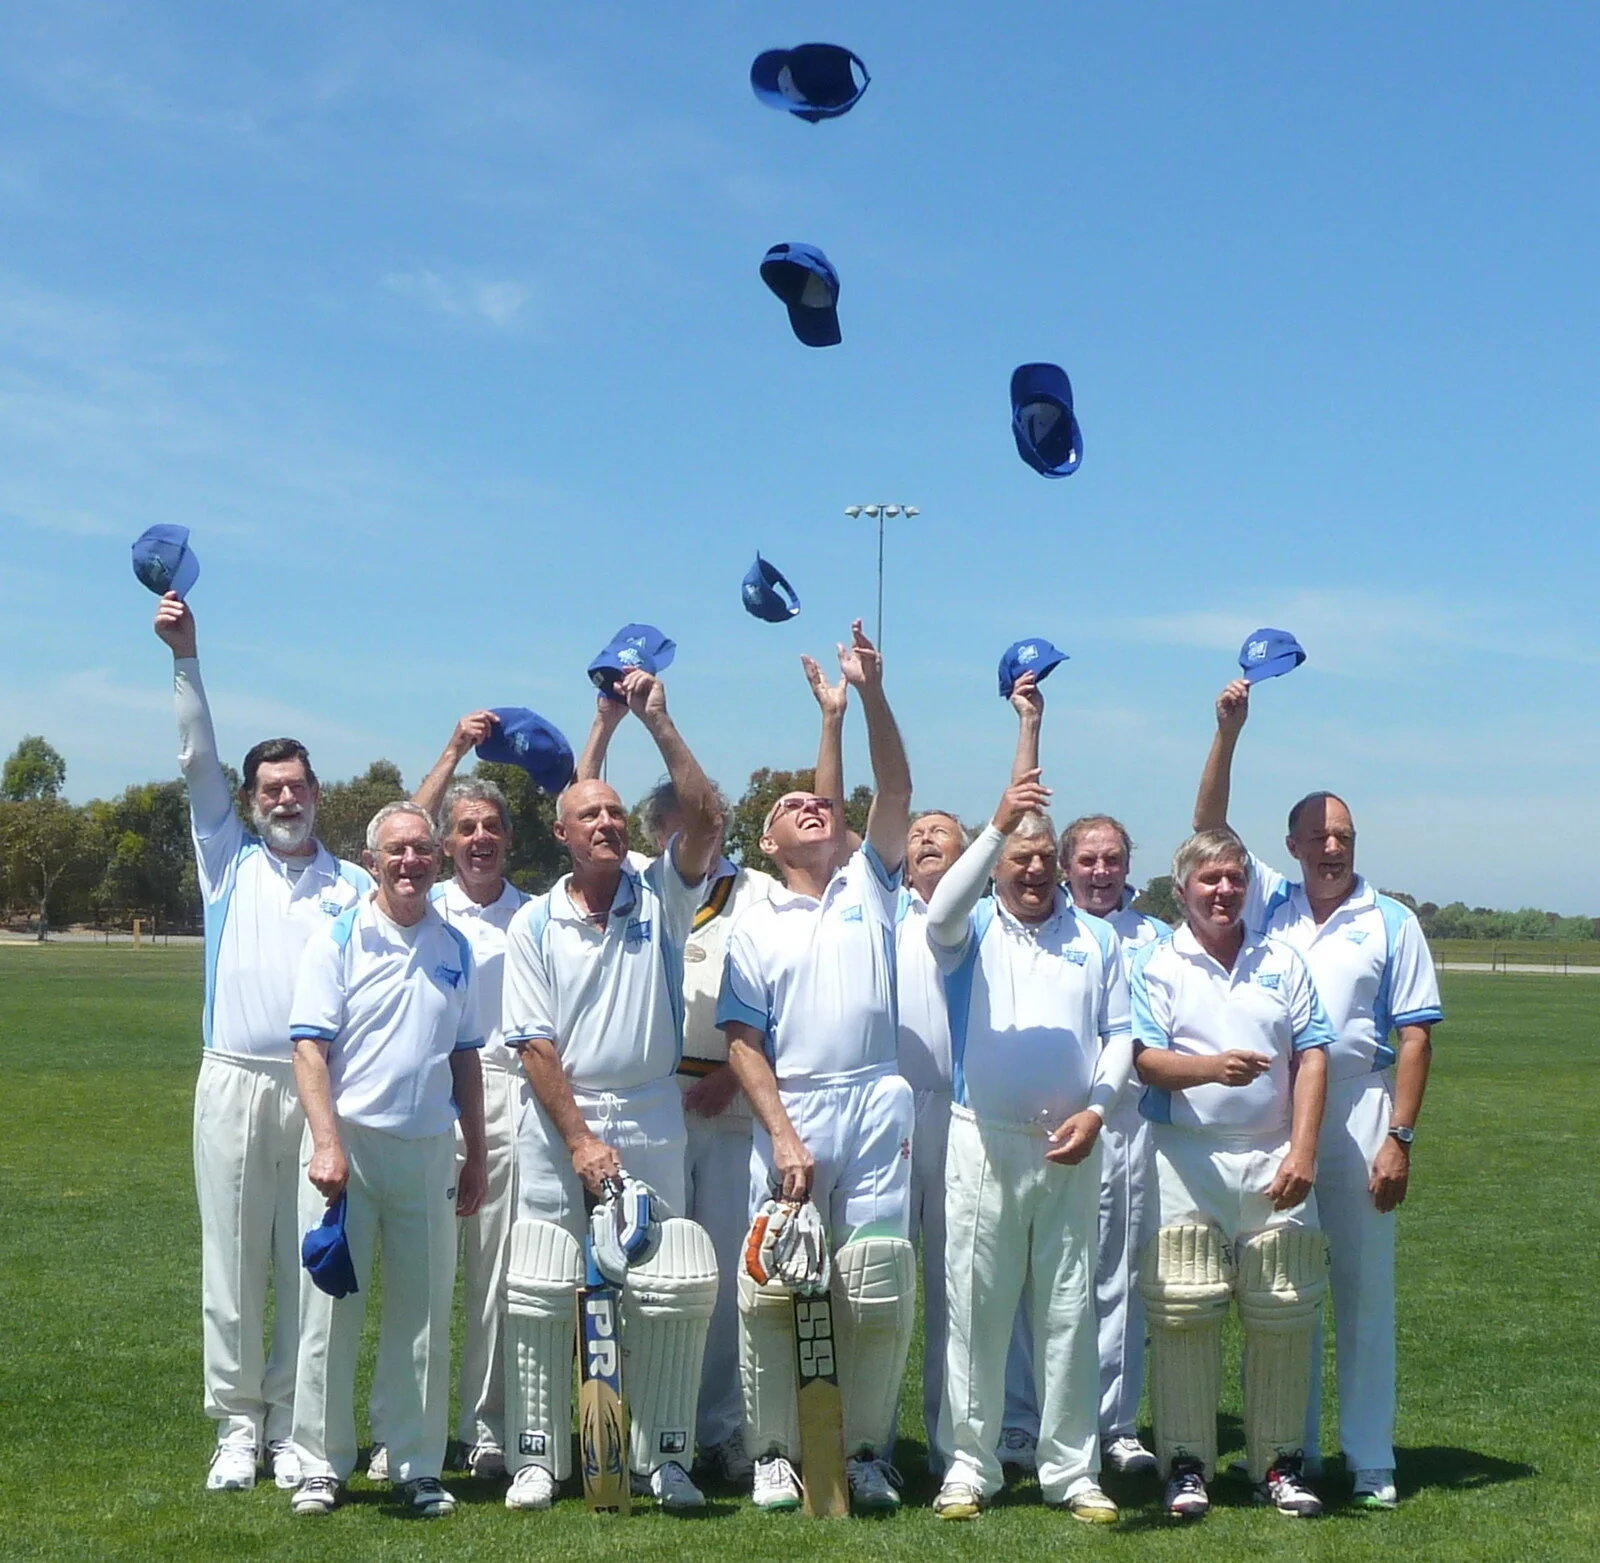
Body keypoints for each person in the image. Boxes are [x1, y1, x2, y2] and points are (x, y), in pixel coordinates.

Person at [1195, 679, 1443, 1510]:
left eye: (1343, 834)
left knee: (1365, 1296)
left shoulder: (1392, 920)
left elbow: (1414, 1035)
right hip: (1282, 1118)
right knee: (1287, 1292)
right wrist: (1228, 734)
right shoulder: (1270, 902)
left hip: (1363, 1113)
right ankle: (1285, 1452)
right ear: (1292, 844)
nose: (1332, 846)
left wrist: (1398, 1137)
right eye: (1318, 834)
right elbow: (1208, 831)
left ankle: (1371, 1456)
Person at [152, 591, 372, 1493]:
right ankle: (237, 1426)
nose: (285, 797)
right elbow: (195, 754)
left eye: (298, 785)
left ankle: (294, 1425)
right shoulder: (225, 857)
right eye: (269, 788)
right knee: (233, 1260)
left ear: (319, 793)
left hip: (325, 1093)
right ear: (249, 800)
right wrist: (186, 656)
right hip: (235, 1081)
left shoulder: (354, 883)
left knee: (309, 1261)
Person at [500, 667, 722, 1513]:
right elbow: (535, 1045)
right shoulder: (533, 921)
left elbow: (704, 816)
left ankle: (661, 1455)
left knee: (661, 1286)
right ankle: (538, 1454)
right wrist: (583, 1139)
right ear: (561, 832)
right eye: (589, 813)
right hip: (559, 1119)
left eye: (617, 813)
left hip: (652, 1110)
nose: (606, 822)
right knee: (545, 1281)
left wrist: (660, 722)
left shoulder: (660, 894)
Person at [717, 621, 917, 1516]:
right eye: (788, 806)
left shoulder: (869, 882)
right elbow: (742, 1042)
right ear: (765, 842)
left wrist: (861, 698)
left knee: (874, 1285)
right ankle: (773, 1451)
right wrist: (784, 1132)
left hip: (878, 1100)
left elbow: (895, 786)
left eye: (820, 802)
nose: (812, 806)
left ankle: (865, 1450)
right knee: (775, 1283)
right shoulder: (752, 920)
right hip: (792, 1107)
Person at [925, 763, 1129, 1524]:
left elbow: (1121, 1035)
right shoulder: (970, 928)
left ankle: (1072, 1468)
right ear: (1001, 864)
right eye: (1021, 858)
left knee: (1070, 1309)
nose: (1036, 870)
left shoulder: (1098, 938)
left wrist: (1099, 1109)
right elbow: (940, 908)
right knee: (977, 1306)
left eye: (1046, 859)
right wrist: (998, 824)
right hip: (984, 1141)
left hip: (1072, 1146)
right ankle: (968, 1465)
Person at [286, 801, 488, 1518]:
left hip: (430, 1148)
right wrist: (327, 1143)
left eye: (422, 850)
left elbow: (466, 1058)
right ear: (372, 860)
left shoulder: (455, 945)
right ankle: (320, 1462)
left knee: (424, 1315)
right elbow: (310, 1048)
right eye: (396, 851)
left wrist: (477, 1153)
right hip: (351, 1151)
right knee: (330, 1311)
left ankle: (414, 1463)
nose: (411, 862)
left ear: (437, 859)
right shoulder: (338, 937)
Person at [1130, 828, 1333, 1520]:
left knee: (1283, 1304)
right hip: (1186, 1151)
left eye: (1234, 878)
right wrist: (1212, 1068)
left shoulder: (1284, 959)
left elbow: (1312, 1057)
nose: (1224, 890)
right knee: (1184, 1306)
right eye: (1210, 879)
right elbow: (1145, 1060)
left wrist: (1303, 1151)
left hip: (1273, 1150)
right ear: (1181, 888)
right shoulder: (1160, 963)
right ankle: (1186, 1463)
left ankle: (1278, 1464)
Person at [997, 670, 1166, 1479]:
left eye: (1112, 859)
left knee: (1113, 1278)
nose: (1099, 870)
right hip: (1035, 1121)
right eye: (1086, 859)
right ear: (1064, 865)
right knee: (1032, 1277)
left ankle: (1113, 1422)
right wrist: (1031, 723)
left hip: (1126, 1126)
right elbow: (1021, 817)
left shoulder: (1155, 935)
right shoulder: (1041, 924)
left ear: (1129, 865)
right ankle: (1025, 1420)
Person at [362, 712, 527, 1483]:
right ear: (446, 843)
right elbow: (406, 825)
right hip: (428, 1098)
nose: (480, 837)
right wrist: (454, 749)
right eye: (465, 827)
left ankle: (484, 1425)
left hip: (504, 1094)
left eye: (492, 825)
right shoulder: (425, 904)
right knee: (417, 1280)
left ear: (508, 838)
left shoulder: (534, 912)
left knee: (491, 1277)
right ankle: (398, 1428)